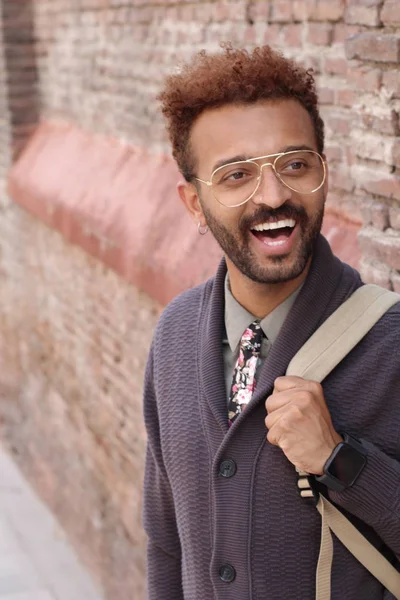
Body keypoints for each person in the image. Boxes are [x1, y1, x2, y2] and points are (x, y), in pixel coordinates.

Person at [142, 45, 400, 599]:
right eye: (236, 176)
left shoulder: (391, 343)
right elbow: (166, 540)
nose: (275, 195)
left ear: (323, 174)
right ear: (194, 204)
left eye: (296, 164)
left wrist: (340, 459)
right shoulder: (175, 335)